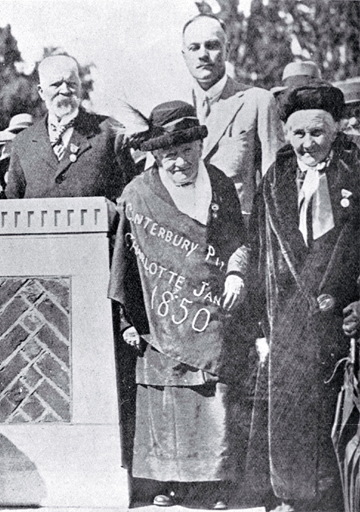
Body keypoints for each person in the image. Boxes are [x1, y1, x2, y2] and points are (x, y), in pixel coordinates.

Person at [108, 101, 251, 509]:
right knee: (168, 399)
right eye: (169, 154)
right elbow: (125, 262)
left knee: (213, 397)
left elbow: (237, 240)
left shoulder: (220, 184)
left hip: (211, 310)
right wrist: (127, 321)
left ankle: (217, 485)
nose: (179, 162)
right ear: (156, 155)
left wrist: (237, 273)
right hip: (161, 316)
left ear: (199, 147)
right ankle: (172, 485)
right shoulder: (137, 194)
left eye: (187, 151)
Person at [249, 80, 360, 511]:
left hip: (344, 323)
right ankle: (295, 499)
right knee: (293, 423)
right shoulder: (275, 177)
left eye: (317, 133)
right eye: (298, 134)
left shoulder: (357, 169)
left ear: (337, 130)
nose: (307, 143)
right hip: (289, 325)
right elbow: (260, 254)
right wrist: (262, 328)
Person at [182, 14, 283, 219]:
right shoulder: (173, 111)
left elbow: (276, 185)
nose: (203, 55)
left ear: (227, 49)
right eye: (194, 48)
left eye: (212, 45)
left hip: (238, 238)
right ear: (184, 55)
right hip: (183, 238)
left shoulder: (257, 102)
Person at [6, 54, 137, 200]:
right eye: (56, 84)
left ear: (80, 87)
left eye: (72, 84)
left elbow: (131, 194)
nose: (65, 90)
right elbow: (13, 205)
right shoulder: (23, 142)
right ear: (41, 92)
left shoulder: (108, 132)